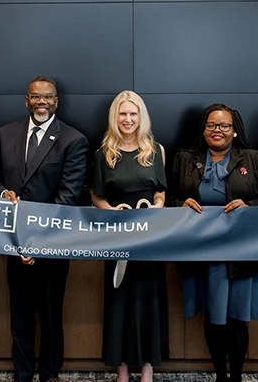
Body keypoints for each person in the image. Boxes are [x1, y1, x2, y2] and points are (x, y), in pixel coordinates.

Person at [0, 75, 88, 382]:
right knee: (19, 317)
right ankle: (23, 373)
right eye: (35, 96)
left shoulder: (73, 140)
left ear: (56, 101)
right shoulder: (6, 134)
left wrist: (37, 242)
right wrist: (3, 192)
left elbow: (68, 198)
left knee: (51, 316)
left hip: (52, 245)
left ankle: (50, 373)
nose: (41, 102)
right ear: (26, 101)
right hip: (13, 243)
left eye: (47, 97)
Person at [172, 103, 258, 382]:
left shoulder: (255, 159)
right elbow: (169, 196)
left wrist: (249, 205)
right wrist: (180, 203)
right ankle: (221, 376)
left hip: (241, 252)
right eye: (211, 125)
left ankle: (236, 378)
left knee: (236, 318)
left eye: (224, 126)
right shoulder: (185, 159)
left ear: (234, 131)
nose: (217, 130)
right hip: (201, 251)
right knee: (213, 316)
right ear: (203, 129)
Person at [90, 90, 168, 382]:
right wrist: (109, 211)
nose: (128, 119)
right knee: (119, 299)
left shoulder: (155, 150)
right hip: (117, 236)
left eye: (133, 114)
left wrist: (157, 207)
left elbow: (160, 192)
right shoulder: (103, 154)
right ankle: (121, 367)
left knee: (150, 298)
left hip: (148, 237)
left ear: (141, 117)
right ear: (115, 117)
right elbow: (96, 196)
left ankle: (148, 366)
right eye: (123, 114)